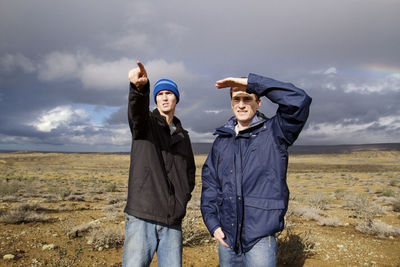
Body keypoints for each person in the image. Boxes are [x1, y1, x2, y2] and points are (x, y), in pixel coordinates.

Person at [201, 73, 312, 266]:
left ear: (259, 102)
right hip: (227, 236)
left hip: (260, 236)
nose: (242, 104)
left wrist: (251, 83)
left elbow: (299, 100)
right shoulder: (221, 141)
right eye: (237, 99)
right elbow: (211, 183)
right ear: (231, 103)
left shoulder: (275, 132)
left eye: (248, 98)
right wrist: (212, 223)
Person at [122, 61, 196, 267]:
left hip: (172, 220)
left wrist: (181, 201)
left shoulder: (184, 136)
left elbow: (189, 174)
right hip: (142, 216)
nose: (164, 97)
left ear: (176, 98)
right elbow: (136, 112)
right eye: (160, 93)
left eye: (169, 93)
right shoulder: (145, 125)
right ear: (155, 98)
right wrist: (139, 90)